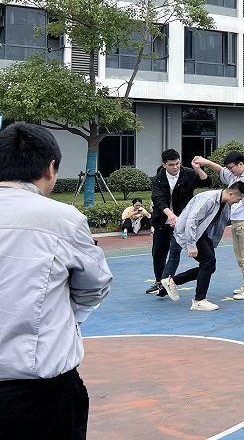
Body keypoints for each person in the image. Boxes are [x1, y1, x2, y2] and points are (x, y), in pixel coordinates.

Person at [0, 123, 113, 438]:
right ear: (50, 169)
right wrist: (65, 311)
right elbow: (95, 285)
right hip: (37, 390)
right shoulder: (62, 218)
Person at [161, 183, 244, 310]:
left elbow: (223, 221)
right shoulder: (208, 199)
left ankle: (173, 282)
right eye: (238, 199)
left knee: (210, 266)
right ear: (231, 194)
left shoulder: (224, 203)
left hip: (202, 233)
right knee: (208, 262)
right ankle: (199, 300)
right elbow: (192, 220)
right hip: (191, 232)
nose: (238, 202)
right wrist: (191, 244)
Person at [193, 152, 244, 300]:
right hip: (235, 221)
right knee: (240, 256)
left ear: (240, 164)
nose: (229, 170)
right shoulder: (232, 176)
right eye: (228, 167)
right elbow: (221, 171)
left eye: (231, 167)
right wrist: (206, 162)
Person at [148, 149, 208, 296]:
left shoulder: (188, 173)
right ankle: (159, 280)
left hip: (182, 221)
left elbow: (206, 181)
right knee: (158, 253)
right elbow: (158, 199)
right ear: (164, 165)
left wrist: (198, 168)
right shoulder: (159, 178)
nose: (175, 167)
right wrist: (170, 215)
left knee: (175, 251)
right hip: (162, 221)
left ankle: (165, 284)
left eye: (177, 163)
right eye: (171, 165)